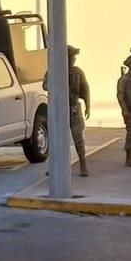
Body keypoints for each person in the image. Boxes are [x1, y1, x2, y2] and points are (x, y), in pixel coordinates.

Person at [44, 45, 91, 176]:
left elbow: (85, 89)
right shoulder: (53, 71)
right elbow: (46, 86)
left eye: (73, 57)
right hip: (59, 109)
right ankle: (54, 166)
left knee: (78, 137)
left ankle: (83, 164)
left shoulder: (78, 72)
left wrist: (88, 105)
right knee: (57, 140)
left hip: (73, 108)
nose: (73, 59)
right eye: (71, 57)